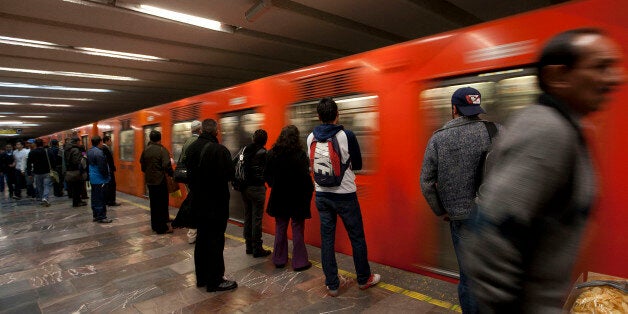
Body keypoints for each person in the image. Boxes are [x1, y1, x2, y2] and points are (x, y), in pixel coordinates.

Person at [467, 28, 624, 313]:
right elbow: (494, 234)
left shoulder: (565, 126)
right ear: (558, 76)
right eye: (601, 67)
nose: (616, 78)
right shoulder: (547, 130)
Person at [419, 86, 500, 313]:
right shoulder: (496, 130)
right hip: (495, 215)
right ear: (477, 107)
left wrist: (440, 210)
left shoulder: (439, 139)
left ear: (454, 109)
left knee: (469, 277)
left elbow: (426, 182)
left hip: (461, 219)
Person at [307, 97, 380, 297]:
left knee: (327, 240)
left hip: (321, 195)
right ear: (337, 114)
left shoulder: (310, 137)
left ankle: (332, 284)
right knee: (356, 237)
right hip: (345, 195)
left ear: (318, 116)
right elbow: (357, 165)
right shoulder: (346, 135)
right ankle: (364, 279)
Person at [185, 118, 237, 292]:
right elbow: (231, 174)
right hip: (216, 204)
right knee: (215, 240)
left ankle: (201, 278)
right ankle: (215, 281)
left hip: (197, 202)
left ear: (200, 131)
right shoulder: (219, 150)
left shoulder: (191, 149)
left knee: (202, 240)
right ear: (216, 131)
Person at [265, 125, 314, 271]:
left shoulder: (272, 153)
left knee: (280, 227)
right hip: (297, 197)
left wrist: (275, 184)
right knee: (297, 228)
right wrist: (308, 192)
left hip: (279, 196)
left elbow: (267, 174)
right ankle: (299, 262)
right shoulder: (300, 154)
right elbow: (306, 178)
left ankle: (279, 259)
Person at [237, 129, 271, 258]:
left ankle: (248, 246)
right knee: (256, 219)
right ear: (265, 141)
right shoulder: (263, 152)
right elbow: (268, 171)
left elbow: (235, 163)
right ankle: (257, 248)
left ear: (253, 138)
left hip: (244, 188)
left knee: (248, 216)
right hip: (257, 189)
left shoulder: (244, 150)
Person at [140, 130, 174, 234]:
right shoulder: (161, 150)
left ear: (150, 138)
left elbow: (142, 166)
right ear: (160, 138)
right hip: (160, 180)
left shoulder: (146, 150)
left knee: (154, 204)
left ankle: (155, 225)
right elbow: (166, 165)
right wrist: (172, 174)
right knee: (162, 204)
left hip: (150, 181)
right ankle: (161, 227)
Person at [179, 120, 201, 244]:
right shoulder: (198, 142)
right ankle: (193, 233)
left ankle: (192, 234)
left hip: (188, 179)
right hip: (197, 179)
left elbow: (182, 160)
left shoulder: (187, 142)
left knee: (192, 203)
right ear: (200, 129)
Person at [87, 136, 112, 223]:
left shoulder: (89, 151)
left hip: (93, 179)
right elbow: (102, 167)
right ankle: (102, 217)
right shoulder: (99, 153)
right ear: (99, 142)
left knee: (95, 198)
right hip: (100, 179)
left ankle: (96, 215)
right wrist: (107, 177)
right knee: (101, 199)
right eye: (101, 142)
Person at [26, 139, 57, 206]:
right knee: (46, 186)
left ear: (35, 144)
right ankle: (45, 198)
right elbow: (53, 161)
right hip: (47, 171)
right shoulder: (48, 151)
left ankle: (41, 198)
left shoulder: (32, 152)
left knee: (39, 186)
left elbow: (28, 163)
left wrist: (29, 173)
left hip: (37, 172)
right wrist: (54, 168)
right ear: (42, 144)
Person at [65, 138, 87, 207]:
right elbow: (78, 160)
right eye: (79, 142)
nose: (80, 143)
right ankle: (77, 202)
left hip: (69, 171)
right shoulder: (76, 150)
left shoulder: (67, 149)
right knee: (77, 187)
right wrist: (83, 155)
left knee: (74, 187)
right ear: (76, 142)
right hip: (76, 171)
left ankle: (77, 201)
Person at [102, 136, 120, 206]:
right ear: (106, 141)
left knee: (109, 186)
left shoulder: (104, 148)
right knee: (112, 185)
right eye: (110, 140)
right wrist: (112, 169)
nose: (111, 142)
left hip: (108, 170)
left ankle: (108, 200)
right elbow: (109, 161)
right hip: (109, 170)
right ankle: (111, 201)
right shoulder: (105, 148)